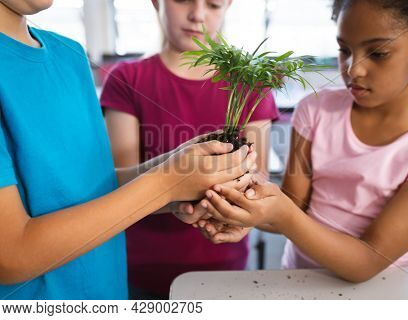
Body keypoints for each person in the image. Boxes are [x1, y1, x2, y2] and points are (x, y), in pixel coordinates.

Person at [0, 0, 255, 299]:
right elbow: (11, 256)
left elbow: (95, 186)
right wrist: (166, 184)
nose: (198, 13)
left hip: (109, 294)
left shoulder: (70, 56)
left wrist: (177, 174)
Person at [199, 0, 408, 282]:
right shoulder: (315, 110)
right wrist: (239, 210)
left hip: (379, 292)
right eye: (345, 50)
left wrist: (280, 213)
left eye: (378, 53)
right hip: (298, 281)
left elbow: (366, 262)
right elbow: (293, 208)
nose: (354, 69)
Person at [100, 0, 278, 299]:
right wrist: (177, 194)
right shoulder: (127, 79)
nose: (197, 14)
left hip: (225, 264)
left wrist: (228, 204)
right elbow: (120, 186)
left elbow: (257, 178)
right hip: (142, 268)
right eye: (183, 0)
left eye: (213, 4)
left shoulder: (250, 82)